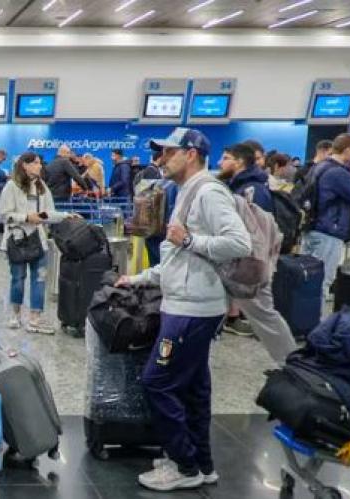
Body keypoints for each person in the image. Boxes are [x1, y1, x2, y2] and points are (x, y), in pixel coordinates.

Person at [115, 128, 251, 492]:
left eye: (168, 152)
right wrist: (139, 278)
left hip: (193, 310)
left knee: (156, 382)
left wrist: (190, 239)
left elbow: (240, 242)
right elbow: (178, 258)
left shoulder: (207, 191)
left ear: (190, 154)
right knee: (193, 389)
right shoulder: (187, 192)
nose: (161, 159)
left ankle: (184, 464)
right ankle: (200, 463)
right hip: (187, 303)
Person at [215, 144, 298, 363]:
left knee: (264, 314)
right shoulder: (243, 186)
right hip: (242, 262)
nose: (219, 163)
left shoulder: (252, 190)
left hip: (251, 265)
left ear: (239, 162)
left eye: (225, 158)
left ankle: (292, 363)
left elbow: (257, 235)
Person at [0, 152, 70, 334]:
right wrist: (26, 217)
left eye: (40, 163)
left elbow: (49, 212)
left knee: (39, 279)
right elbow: (4, 215)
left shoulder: (42, 187)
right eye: (36, 163)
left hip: (39, 241)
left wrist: (65, 216)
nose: (40, 166)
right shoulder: (11, 186)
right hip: (17, 240)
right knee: (18, 278)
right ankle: (15, 314)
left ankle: (35, 318)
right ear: (25, 165)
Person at [300, 133, 350, 314]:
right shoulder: (338, 173)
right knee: (322, 282)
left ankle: (302, 321)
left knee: (308, 279)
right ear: (347, 150)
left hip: (312, 228)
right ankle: (315, 325)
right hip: (328, 231)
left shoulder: (319, 167)